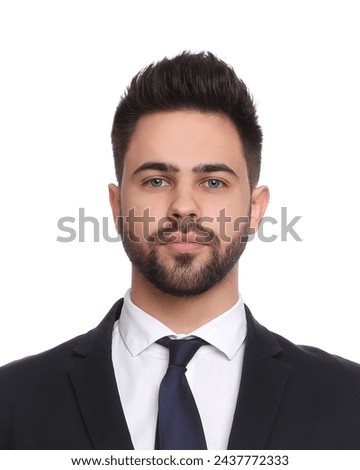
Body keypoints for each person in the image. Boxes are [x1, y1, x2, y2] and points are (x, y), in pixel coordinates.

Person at [1, 51, 360, 451]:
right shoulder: (11, 401)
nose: (184, 206)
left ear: (255, 209)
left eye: (213, 182)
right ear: (117, 207)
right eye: (156, 181)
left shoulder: (350, 401)